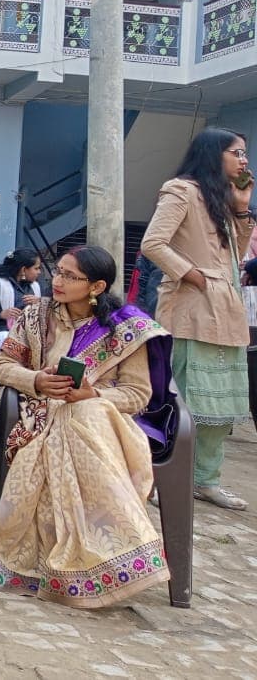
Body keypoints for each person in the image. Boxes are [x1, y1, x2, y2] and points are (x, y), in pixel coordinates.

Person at [0, 247, 173, 607]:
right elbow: (1, 365)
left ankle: (119, 553)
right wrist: (36, 380)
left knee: (81, 415)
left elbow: (137, 395)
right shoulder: (35, 316)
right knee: (66, 419)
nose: (57, 281)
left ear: (97, 286)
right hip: (41, 413)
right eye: (58, 272)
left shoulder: (125, 328)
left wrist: (92, 394)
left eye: (71, 277)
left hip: (106, 425)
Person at [141, 127, 253, 510]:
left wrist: (241, 209)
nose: (244, 160)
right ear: (212, 153)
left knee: (220, 410)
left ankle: (205, 480)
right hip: (189, 313)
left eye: (245, 154)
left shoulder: (222, 198)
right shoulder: (181, 190)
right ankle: (158, 477)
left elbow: (234, 257)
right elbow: (153, 243)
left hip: (227, 315)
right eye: (237, 153)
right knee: (180, 401)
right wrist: (193, 276)